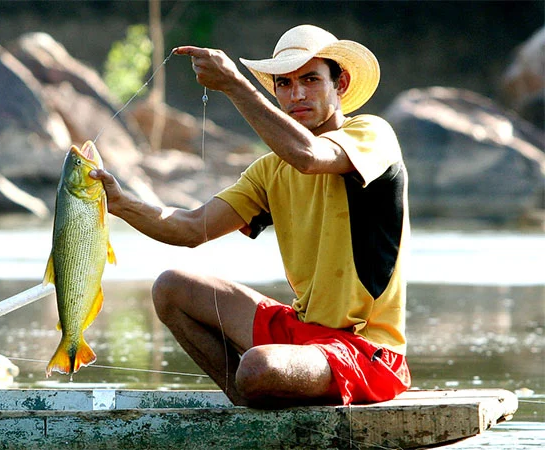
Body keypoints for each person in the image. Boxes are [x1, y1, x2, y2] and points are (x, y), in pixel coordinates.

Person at [90, 24, 411, 407]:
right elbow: (193, 228)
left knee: (258, 368)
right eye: (284, 84)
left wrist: (235, 86)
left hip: (368, 355)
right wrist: (121, 203)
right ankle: (246, 405)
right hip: (303, 335)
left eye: (310, 80)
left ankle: (257, 388)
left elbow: (309, 157)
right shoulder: (270, 169)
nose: (297, 95)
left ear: (339, 84)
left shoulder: (372, 134)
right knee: (171, 287)